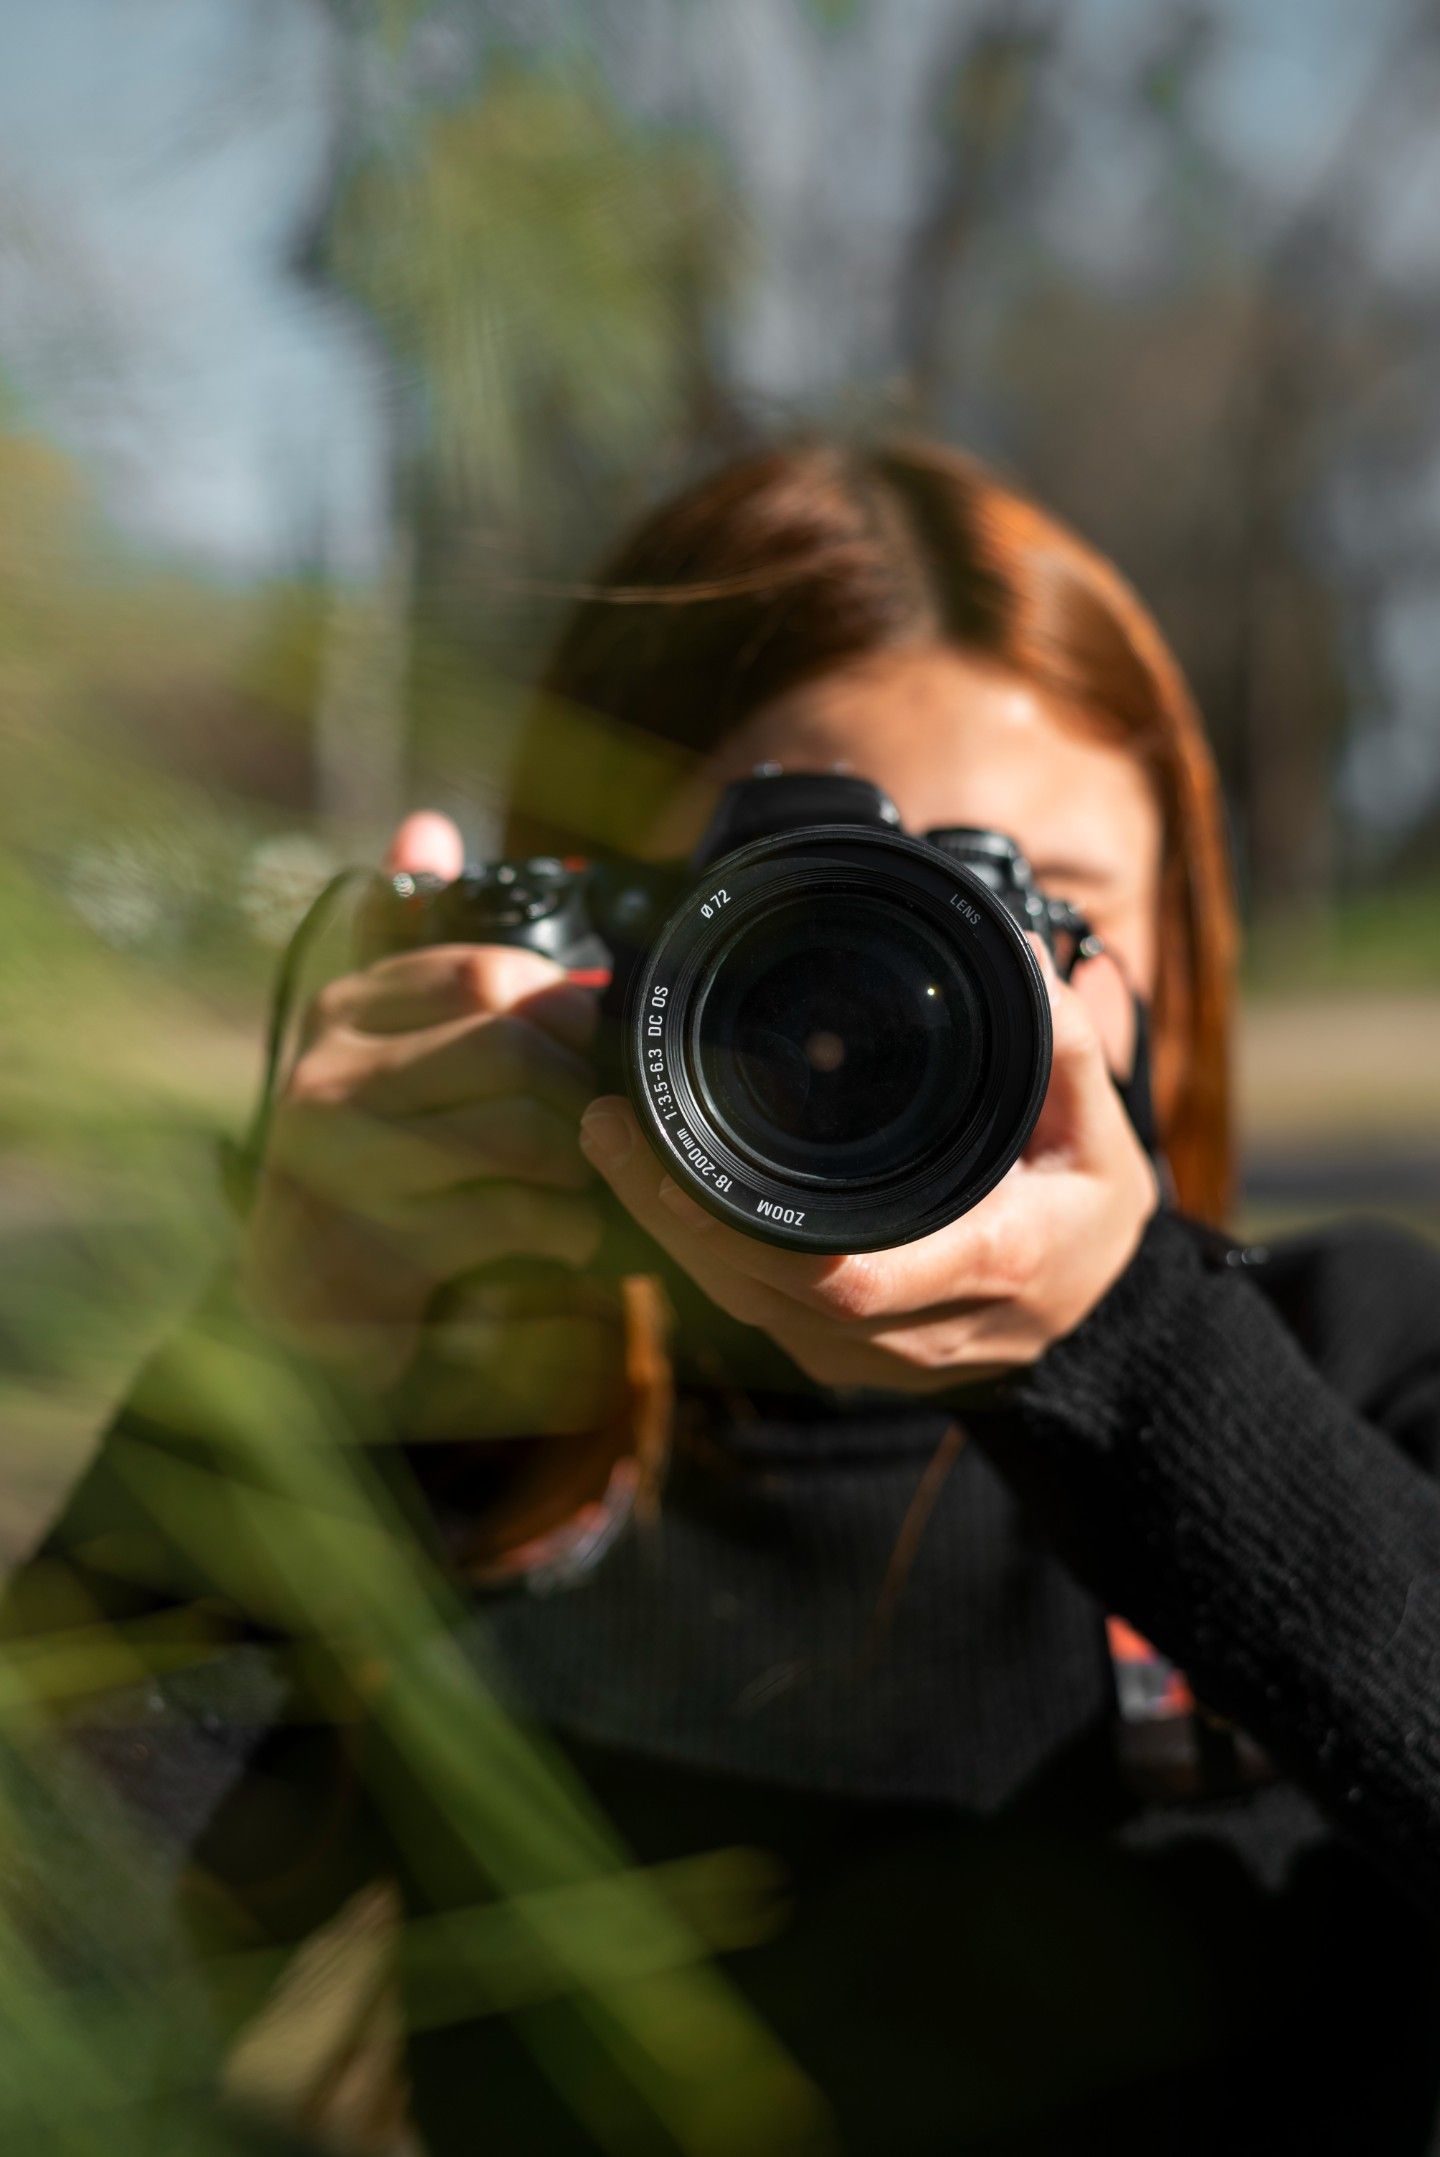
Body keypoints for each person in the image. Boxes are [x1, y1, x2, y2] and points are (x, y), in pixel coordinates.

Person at [16, 437, 1440, 2154]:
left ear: (1182, 977)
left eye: (1031, 908)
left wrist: (1140, 1357)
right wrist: (289, 1379)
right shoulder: (477, 1450)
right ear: (604, 955)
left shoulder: (1347, 1359)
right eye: (790, 922)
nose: (899, 1007)